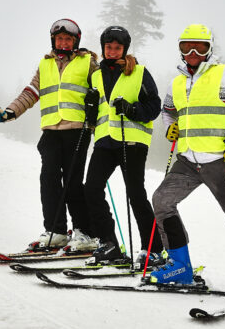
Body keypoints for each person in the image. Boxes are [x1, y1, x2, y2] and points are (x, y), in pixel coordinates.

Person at [150, 24, 225, 302]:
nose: (192, 53)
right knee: (161, 201)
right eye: (186, 47)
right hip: (187, 161)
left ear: (210, 49)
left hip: (221, 161)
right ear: (180, 49)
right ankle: (181, 268)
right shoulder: (177, 83)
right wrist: (171, 127)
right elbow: (168, 112)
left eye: (200, 47)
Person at [0, 19, 98, 251]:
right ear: (53, 40)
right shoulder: (45, 64)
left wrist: (96, 105)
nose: (63, 42)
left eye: (68, 39)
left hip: (77, 130)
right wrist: (8, 113)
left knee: (73, 183)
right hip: (51, 131)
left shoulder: (88, 62)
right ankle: (56, 231)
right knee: (48, 180)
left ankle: (84, 233)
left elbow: (104, 90)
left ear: (75, 41)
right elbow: (31, 92)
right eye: (59, 39)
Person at [83, 26, 164, 268]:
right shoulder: (96, 75)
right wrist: (90, 110)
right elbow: (99, 108)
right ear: (103, 47)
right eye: (108, 47)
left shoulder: (138, 72)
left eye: (117, 47)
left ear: (124, 49)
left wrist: (131, 110)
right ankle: (109, 244)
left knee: (136, 195)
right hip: (105, 141)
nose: (112, 51)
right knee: (91, 189)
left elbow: (154, 106)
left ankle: (153, 250)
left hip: (132, 141)